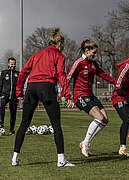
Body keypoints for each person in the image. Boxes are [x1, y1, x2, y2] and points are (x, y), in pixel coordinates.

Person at [11, 27, 75, 167]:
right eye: (63, 44)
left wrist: (19, 92)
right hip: (47, 87)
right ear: (59, 43)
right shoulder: (59, 56)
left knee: (24, 123)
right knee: (56, 124)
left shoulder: (37, 54)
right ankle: (61, 160)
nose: (63, 47)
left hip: (32, 87)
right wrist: (67, 95)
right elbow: (61, 75)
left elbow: (22, 73)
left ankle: (14, 158)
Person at [67, 38, 115, 158]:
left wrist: (117, 83)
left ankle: (84, 143)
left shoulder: (93, 64)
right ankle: (86, 144)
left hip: (90, 95)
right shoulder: (78, 63)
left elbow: (103, 74)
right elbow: (67, 78)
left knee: (105, 120)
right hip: (80, 95)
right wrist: (67, 96)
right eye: (93, 53)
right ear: (87, 50)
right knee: (99, 117)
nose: (94, 55)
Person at [0, 57, 19, 135]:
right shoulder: (4, 73)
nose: (13, 65)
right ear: (8, 64)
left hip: (14, 96)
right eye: (11, 64)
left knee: (13, 113)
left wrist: (19, 95)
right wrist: (0, 93)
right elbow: (0, 84)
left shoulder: (17, 73)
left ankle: (12, 130)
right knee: (1, 109)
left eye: (14, 64)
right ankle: (1, 126)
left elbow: (19, 85)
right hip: (4, 95)